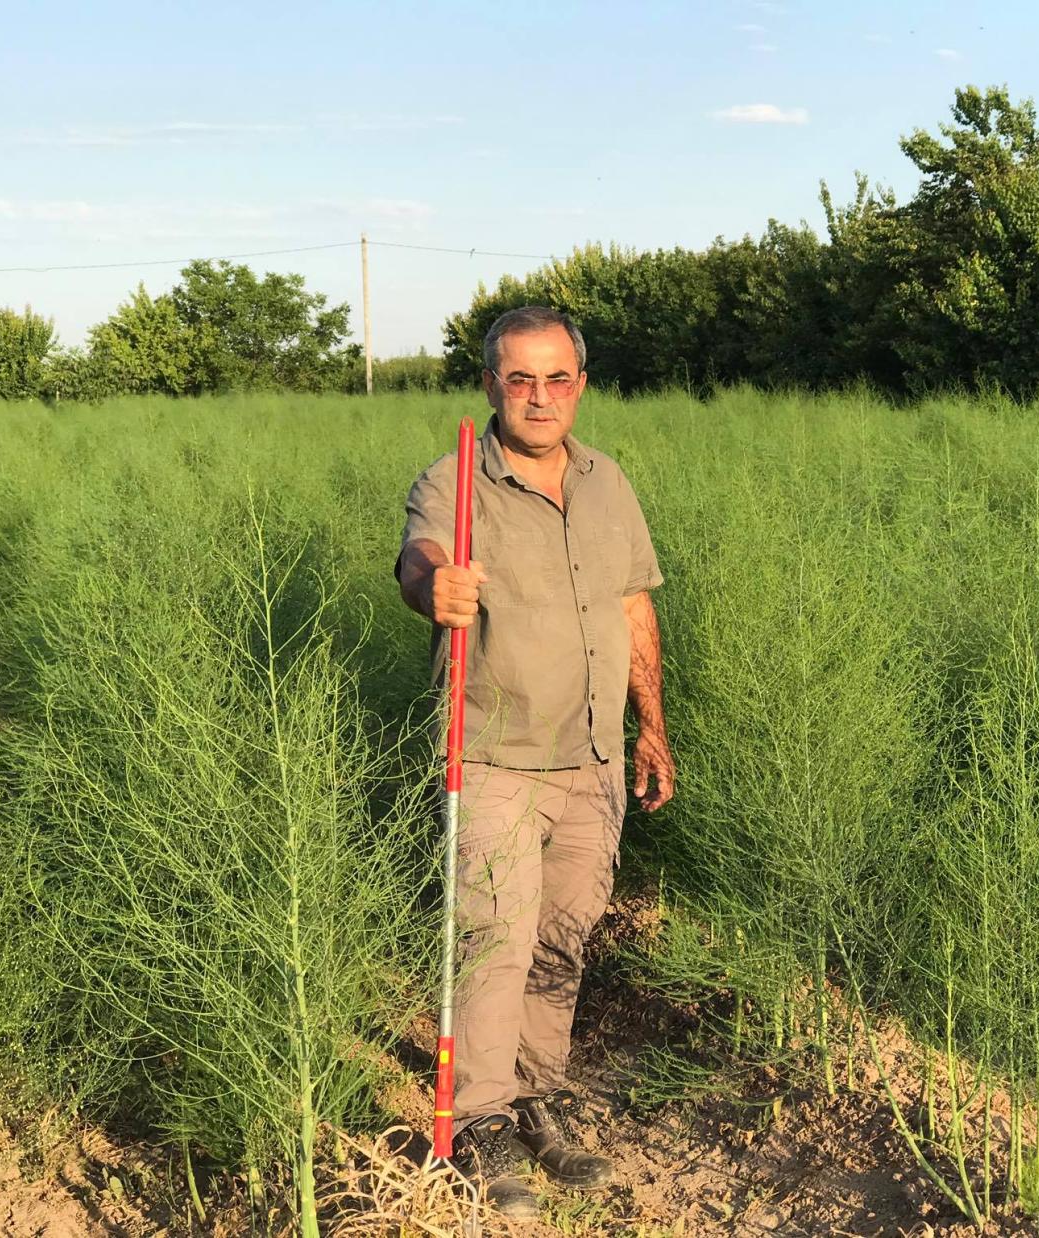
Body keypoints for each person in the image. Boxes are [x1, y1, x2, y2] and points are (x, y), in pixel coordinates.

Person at [396, 305, 675, 1218]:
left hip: (593, 759)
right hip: (496, 758)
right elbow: (420, 554)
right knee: (493, 944)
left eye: (558, 378)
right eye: (520, 378)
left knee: (562, 941)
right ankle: (477, 1120)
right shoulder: (456, 481)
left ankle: (537, 1098)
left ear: (581, 385)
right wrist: (432, 585)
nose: (540, 396)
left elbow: (633, 606)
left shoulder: (608, 483)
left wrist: (651, 726)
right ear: (491, 385)